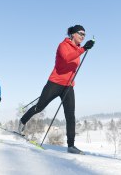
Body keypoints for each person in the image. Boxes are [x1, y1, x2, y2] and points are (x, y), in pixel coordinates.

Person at [18, 25, 94, 154]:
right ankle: (22, 121)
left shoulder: (78, 49)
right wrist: (84, 48)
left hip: (68, 86)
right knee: (39, 107)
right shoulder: (63, 46)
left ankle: (71, 146)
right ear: (73, 34)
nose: (82, 36)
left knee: (70, 115)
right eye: (80, 33)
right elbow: (67, 58)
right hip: (55, 83)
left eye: (84, 35)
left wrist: (82, 49)